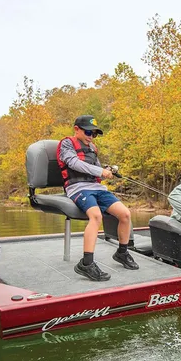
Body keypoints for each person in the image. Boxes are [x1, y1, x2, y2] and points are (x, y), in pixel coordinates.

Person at [57, 115, 138, 281]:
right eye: (88, 132)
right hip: (77, 187)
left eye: (94, 134)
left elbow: (97, 168)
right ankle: (86, 264)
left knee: (125, 214)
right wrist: (99, 171)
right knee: (96, 216)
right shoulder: (67, 144)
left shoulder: (93, 148)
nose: (91, 137)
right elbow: (74, 163)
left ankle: (122, 253)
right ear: (77, 129)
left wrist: (106, 171)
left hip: (96, 188)